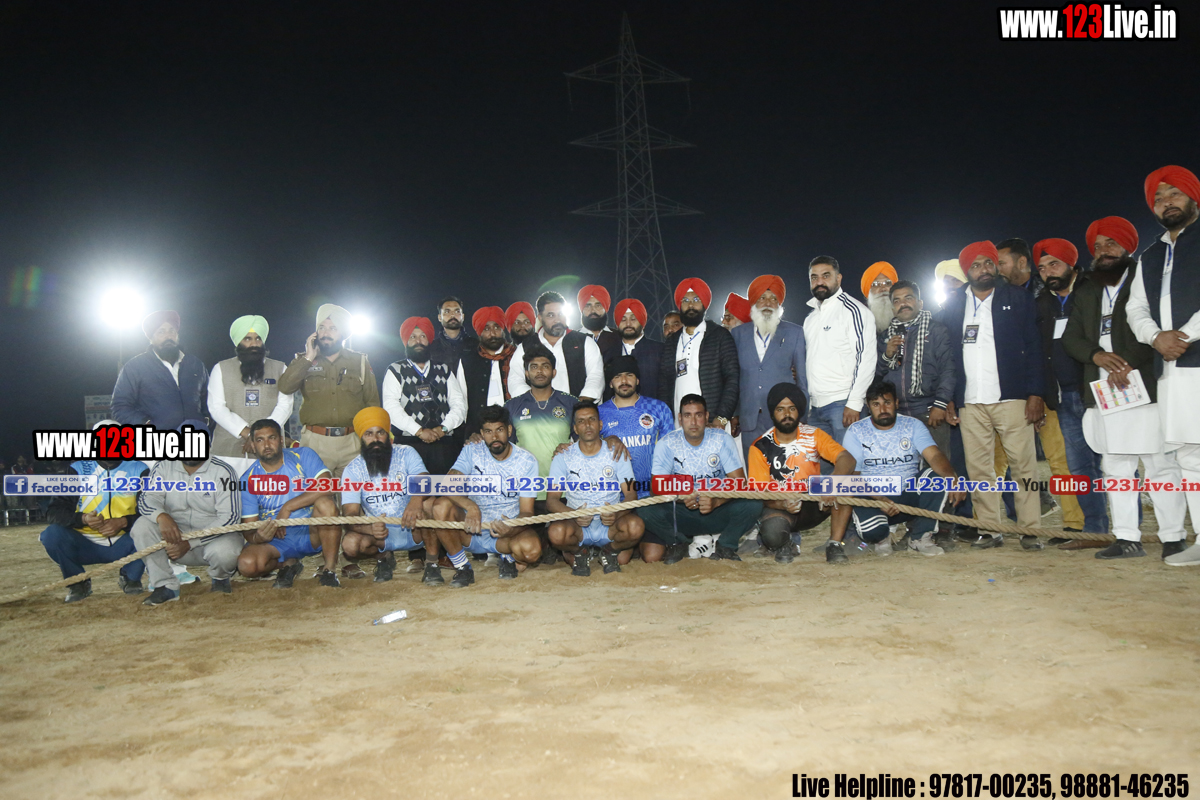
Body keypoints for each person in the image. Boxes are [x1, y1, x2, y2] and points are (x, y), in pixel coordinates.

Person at [1063, 215, 1188, 560]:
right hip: (1103, 388)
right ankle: (1127, 538)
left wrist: (1125, 362)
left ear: (1128, 247)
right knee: (1115, 464)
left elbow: (1155, 327)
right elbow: (1072, 337)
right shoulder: (1087, 288)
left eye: (1111, 244)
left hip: (1143, 384)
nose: (1104, 251)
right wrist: (1097, 356)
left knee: (1159, 464)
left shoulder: (1146, 277)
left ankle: (1173, 537)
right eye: (1098, 246)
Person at [940, 241, 1046, 550]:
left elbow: (1035, 347)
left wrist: (1035, 393)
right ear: (967, 271)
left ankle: (1030, 530)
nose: (984, 269)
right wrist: (950, 397)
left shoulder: (1018, 298)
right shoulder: (954, 306)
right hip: (970, 402)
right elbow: (948, 357)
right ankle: (989, 530)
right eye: (976, 265)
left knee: (1024, 466)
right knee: (979, 470)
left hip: (1012, 397)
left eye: (989, 263)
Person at [1125, 164, 1200, 565]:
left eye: (1174, 193)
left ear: (1193, 197)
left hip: (1193, 355)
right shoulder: (1151, 255)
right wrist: (1156, 338)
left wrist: (1183, 336)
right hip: (1171, 369)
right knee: (1188, 455)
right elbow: (1135, 309)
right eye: (1158, 198)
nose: (1166, 202)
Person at [835, 380, 967, 557]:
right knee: (872, 531)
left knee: (937, 477)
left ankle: (920, 537)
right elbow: (854, 477)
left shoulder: (912, 425)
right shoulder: (856, 431)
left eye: (887, 402)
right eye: (876, 404)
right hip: (872, 496)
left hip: (907, 494)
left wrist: (952, 477)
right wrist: (879, 498)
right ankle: (882, 538)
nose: (882, 409)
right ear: (868, 407)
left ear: (896, 403)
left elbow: (934, 455)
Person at [1033, 238, 1109, 540]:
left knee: (1117, 461)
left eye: (1054, 264)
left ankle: (1128, 531)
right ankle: (1093, 530)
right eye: (1042, 268)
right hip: (1063, 398)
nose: (1048, 272)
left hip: (1099, 393)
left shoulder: (1094, 291)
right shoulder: (1043, 303)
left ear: (1071, 264)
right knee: (1079, 467)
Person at [639, 394, 762, 563]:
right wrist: (682, 496)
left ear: (706, 416)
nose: (693, 422)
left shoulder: (721, 439)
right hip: (682, 513)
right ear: (680, 419)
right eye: (687, 415)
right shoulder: (667, 443)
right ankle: (679, 542)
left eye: (698, 415)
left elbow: (739, 483)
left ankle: (726, 545)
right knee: (644, 509)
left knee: (754, 503)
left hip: (717, 511)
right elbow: (656, 488)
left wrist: (716, 500)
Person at [132, 421, 244, 605]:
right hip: (173, 540)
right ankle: (165, 586)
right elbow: (147, 499)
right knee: (142, 527)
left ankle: (220, 578)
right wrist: (162, 517)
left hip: (211, 542)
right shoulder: (163, 466)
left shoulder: (224, 471)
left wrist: (191, 542)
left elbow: (230, 517)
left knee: (227, 550)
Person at [429, 406, 543, 584]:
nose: (494, 437)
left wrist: (511, 529)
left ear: (509, 430)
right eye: (488, 431)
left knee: (531, 551)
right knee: (440, 506)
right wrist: (471, 507)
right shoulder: (472, 451)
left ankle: (508, 558)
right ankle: (462, 567)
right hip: (471, 529)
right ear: (482, 433)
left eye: (499, 430)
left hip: (506, 533)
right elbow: (447, 485)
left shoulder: (527, 461)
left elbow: (527, 512)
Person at [39, 424, 148, 602]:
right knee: (51, 535)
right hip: (84, 543)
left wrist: (124, 522)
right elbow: (54, 511)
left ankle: (131, 576)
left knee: (152, 529)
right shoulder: (77, 469)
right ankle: (77, 582)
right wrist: (82, 519)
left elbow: (150, 509)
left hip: (125, 541)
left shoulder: (139, 469)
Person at [747, 384, 855, 563]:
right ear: (773, 413)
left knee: (847, 484)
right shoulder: (759, 447)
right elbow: (759, 495)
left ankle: (835, 544)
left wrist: (832, 483)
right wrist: (782, 504)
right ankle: (785, 544)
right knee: (773, 533)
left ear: (799, 411)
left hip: (815, 502)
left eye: (792, 408)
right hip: (782, 505)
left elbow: (847, 459)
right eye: (780, 409)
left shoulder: (814, 435)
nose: (786, 414)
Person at [278, 303, 381, 478]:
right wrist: (308, 357)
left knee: (352, 495)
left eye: (333, 328)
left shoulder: (359, 361)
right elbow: (285, 387)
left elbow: (372, 405)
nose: (326, 333)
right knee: (317, 495)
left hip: (353, 442)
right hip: (315, 444)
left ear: (343, 333)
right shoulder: (304, 360)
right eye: (322, 328)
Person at [237, 419, 342, 588]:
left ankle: (329, 570)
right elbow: (249, 530)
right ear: (253, 446)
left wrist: (288, 507)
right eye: (260, 440)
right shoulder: (247, 479)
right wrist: (259, 537)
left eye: (271, 438)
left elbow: (329, 485)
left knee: (326, 505)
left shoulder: (303, 455)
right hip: (277, 539)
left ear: (281, 440)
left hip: (312, 532)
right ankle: (288, 564)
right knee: (247, 565)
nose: (267, 445)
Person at [546, 402, 643, 576]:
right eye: (581, 421)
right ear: (575, 428)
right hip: (578, 526)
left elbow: (631, 494)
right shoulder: (562, 457)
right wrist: (574, 515)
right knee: (556, 533)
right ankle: (580, 551)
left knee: (635, 528)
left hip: (611, 524)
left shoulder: (617, 452)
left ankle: (609, 550)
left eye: (592, 419)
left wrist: (616, 513)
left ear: (600, 424)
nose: (587, 425)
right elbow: (552, 500)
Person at [339, 407, 435, 583]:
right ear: (360, 437)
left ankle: (432, 564)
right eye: (369, 434)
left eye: (380, 432)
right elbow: (349, 515)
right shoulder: (352, 470)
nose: (375, 439)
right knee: (350, 544)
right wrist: (370, 529)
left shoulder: (406, 452)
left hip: (416, 527)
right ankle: (384, 559)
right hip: (380, 535)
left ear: (388, 434)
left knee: (429, 503)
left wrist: (415, 502)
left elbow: (424, 479)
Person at [730, 274, 807, 463]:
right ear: (754, 302)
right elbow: (734, 378)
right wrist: (735, 414)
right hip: (749, 419)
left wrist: (803, 416)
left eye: (773, 298)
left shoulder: (795, 333)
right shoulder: (738, 334)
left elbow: (802, 380)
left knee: (785, 471)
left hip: (784, 418)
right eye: (762, 298)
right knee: (754, 472)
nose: (768, 303)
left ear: (779, 304)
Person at [803, 256, 876, 450]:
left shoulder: (854, 311)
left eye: (826, 276)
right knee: (822, 467)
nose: (819, 282)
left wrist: (854, 403)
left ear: (839, 278)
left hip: (843, 405)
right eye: (814, 277)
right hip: (815, 409)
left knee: (850, 465)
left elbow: (866, 358)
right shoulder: (810, 319)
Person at [877, 281, 955, 455]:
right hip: (897, 415)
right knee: (902, 467)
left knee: (936, 466)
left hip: (929, 411)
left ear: (920, 303)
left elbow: (948, 370)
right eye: (897, 301)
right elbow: (876, 376)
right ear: (892, 309)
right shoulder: (885, 336)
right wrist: (887, 355)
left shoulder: (936, 330)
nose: (903, 304)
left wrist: (940, 405)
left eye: (908, 298)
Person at [381, 316, 467, 475]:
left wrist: (443, 429)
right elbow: (391, 407)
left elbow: (459, 404)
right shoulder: (396, 370)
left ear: (429, 340)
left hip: (444, 444)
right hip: (408, 444)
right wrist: (419, 431)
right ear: (406, 341)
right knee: (413, 490)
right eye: (412, 337)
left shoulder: (444, 369)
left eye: (423, 336)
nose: (418, 341)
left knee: (445, 489)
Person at [207, 315, 293, 466]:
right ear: (238, 342)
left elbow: (285, 405)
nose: (254, 344)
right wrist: (246, 432)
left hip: (269, 450)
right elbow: (216, 407)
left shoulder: (280, 368)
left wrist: (262, 435)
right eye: (247, 339)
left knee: (269, 482)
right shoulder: (221, 368)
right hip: (228, 451)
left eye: (258, 338)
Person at [657, 278, 740, 430]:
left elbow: (732, 378)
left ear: (704, 304)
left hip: (713, 424)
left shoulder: (720, 336)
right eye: (685, 300)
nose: (690, 305)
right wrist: (667, 419)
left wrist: (721, 417)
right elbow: (664, 384)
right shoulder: (672, 342)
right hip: (678, 426)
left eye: (696, 299)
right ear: (680, 305)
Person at [111, 310, 208, 430]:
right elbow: (120, 406)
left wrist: (205, 422)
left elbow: (208, 401)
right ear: (151, 338)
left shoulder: (195, 364)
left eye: (172, 330)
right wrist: (145, 423)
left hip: (195, 437)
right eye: (161, 332)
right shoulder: (135, 367)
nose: (168, 336)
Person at [598, 355, 674, 502]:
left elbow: (671, 453)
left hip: (653, 494)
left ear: (637, 380)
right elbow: (589, 450)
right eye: (618, 376)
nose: (624, 381)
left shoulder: (658, 408)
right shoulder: (599, 414)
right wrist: (606, 440)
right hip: (614, 497)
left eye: (629, 375)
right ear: (611, 383)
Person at [505, 346, 578, 491]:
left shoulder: (571, 403)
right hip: (525, 488)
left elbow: (585, 442)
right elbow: (506, 447)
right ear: (527, 374)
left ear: (554, 372)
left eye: (545, 366)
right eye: (534, 367)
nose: (539, 371)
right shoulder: (511, 406)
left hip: (562, 487)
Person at [508, 291, 604, 401]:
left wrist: (581, 404)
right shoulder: (526, 347)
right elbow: (515, 380)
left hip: (578, 409)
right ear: (540, 318)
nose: (557, 320)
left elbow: (596, 377)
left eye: (561, 314)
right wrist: (535, 403)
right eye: (550, 315)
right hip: (537, 410)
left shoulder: (585, 342)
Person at [460, 306, 518, 438]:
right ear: (479, 332)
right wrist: (470, 431)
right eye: (486, 329)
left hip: (515, 427)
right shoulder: (467, 360)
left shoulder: (516, 356)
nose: (492, 334)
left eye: (497, 327)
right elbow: (461, 400)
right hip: (479, 432)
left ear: (503, 329)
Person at [612, 298, 663, 402]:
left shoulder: (659, 350)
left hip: (653, 409)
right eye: (623, 319)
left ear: (642, 321)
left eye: (633, 319)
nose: (628, 324)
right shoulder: (610, 353)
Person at [428, 296, 478, 367]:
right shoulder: (431, 348)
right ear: (439, 317)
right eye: (447, 311)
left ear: (463, 316)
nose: (452, 315)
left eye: (457, 311)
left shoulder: (476, 346)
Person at [578, 285, 621, 362]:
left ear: (605, 308)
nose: (593, 310)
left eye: (598, 306)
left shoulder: (619, 337)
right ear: (582, 309)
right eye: (588, 306)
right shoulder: (572, 339)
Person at [862, 261, 898, 333]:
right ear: (868, 291)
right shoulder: (860, 317)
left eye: (887, 283)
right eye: (875, 284)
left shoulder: (904, 313)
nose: (883, 289)